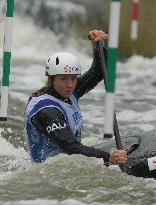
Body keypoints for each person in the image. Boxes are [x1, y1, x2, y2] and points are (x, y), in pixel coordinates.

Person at [24, 29, 127, 165]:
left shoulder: (67, 92)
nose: (70, 84)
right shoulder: (46, 109)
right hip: (48, 172)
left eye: (73, 78)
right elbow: (71, 147)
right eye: (64, 79)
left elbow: (100, 72)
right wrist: (108, 157)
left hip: (68, 163)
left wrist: (98, 47)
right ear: (52, 79)